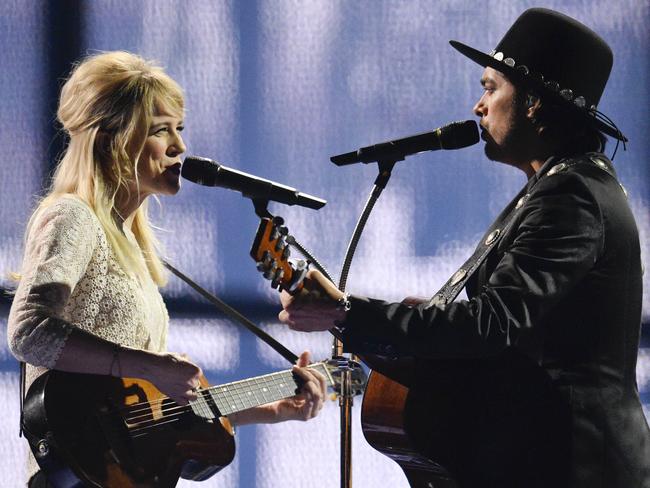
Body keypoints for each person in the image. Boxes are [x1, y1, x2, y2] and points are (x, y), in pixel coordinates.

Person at [279, 8, 650, 488]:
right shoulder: (559, 185)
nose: (478, 105)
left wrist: (347, 314)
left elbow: (491, 324)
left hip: (575, 465)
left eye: (491, 88)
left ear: (534, 102)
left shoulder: (571, 195)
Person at [7, 51, 326, 487]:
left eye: (180, 129)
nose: (180, 147)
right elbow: (29, 331)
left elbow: (148, 411)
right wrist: (152, 366)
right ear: (110, 141)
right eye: (161, 132)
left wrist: (272, 409)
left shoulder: (131, 247)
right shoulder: (73, 217)